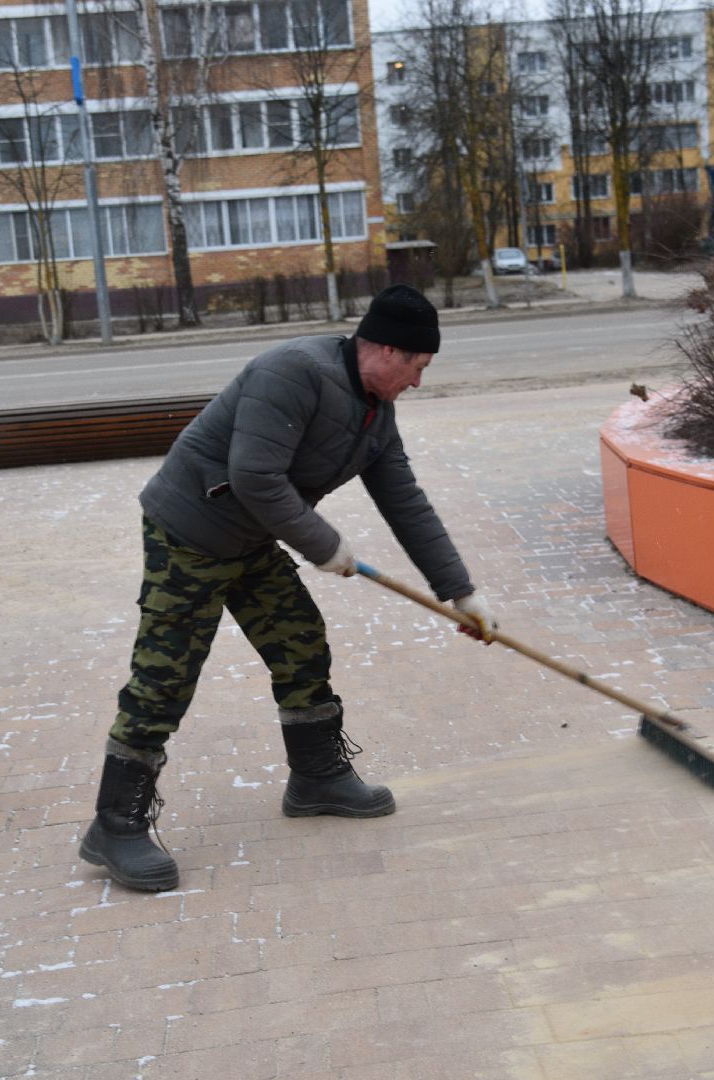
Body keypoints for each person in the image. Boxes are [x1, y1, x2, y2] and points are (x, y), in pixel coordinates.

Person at [78, 284, 499, 892]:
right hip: (190, 532)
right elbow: (254, 476)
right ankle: (115, 825)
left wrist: (460, 592)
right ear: (386, 349)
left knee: (299, 641)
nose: (418, 381)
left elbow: (405, 501)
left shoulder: (375, 412)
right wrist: (324, 544)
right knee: (164, 676)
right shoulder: (294, 372)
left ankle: (316, 777)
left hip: (250, 537)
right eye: (418, 366)